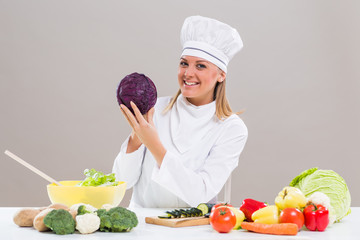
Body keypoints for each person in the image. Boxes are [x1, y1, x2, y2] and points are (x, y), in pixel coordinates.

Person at [112, 16, 248, 208]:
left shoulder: (232, 129)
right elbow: (121, 182)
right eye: (184, 63)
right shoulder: (154, 109)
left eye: (200, 65)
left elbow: (200, 194)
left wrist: (153, 143)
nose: (188, 73)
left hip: (194, 230)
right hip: (142, 227)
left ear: (221, 75)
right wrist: (137, 137)